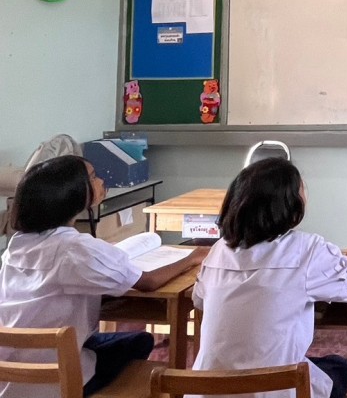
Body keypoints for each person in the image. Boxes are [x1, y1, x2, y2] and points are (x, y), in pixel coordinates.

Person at [0, 156, 207, 397]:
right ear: (73, 193)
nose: (101, 181)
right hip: (60, 381)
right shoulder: (75, 249)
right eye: (93, 177)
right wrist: (192, 257)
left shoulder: (17, 245)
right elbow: (148, 282)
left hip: (9, 375)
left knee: (107, 340)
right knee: (141, 341)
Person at [192, 158, 347, 398]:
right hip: (272, 390)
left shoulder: (218, 251)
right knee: (338, 367)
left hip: (206, 390)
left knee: (302, 361)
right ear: (290, 204)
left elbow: (199, 302)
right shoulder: (308, 250)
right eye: (302, 188)